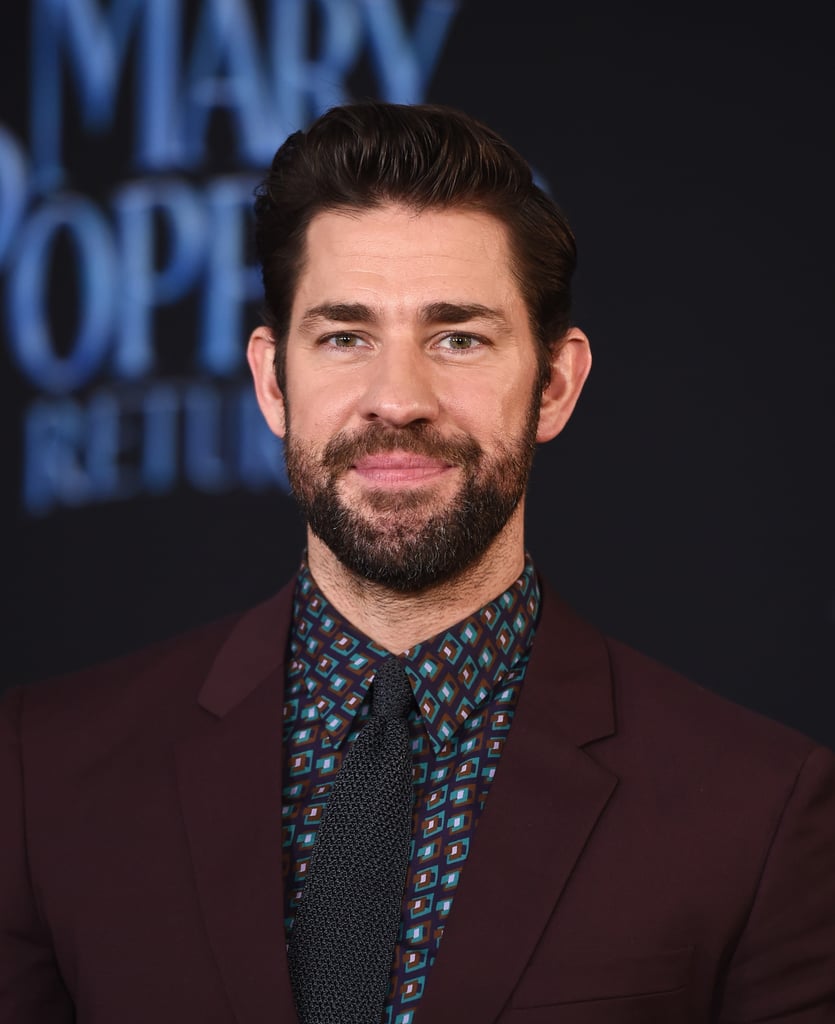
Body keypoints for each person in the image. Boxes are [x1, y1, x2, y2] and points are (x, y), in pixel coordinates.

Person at [1, 102, 833, 1024]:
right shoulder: (40, 773)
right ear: (274, 381)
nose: (397, 399)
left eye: (458, 338)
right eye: (345, 337)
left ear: (554, 384)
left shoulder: (759, 812)